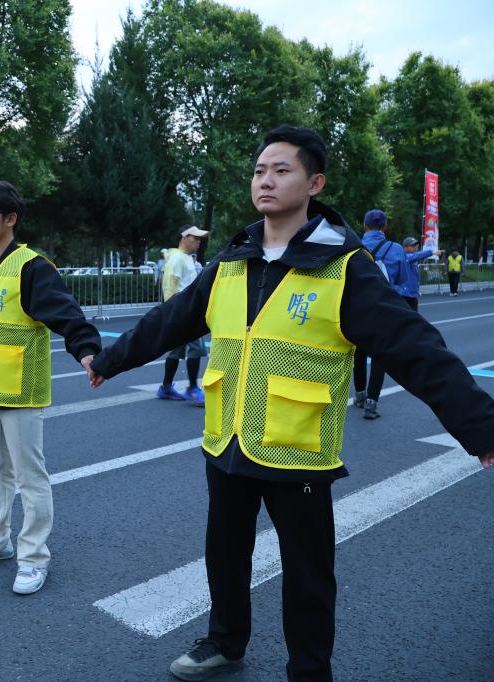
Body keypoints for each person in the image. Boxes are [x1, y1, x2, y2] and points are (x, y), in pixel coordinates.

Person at [85, 125, 494, 682]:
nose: (266, 180)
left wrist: (480, 427)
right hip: (228, 441)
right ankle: (225, 642)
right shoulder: (233, 259)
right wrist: (109, 360)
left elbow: (417, 349)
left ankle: (309, 669)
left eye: (282, 170)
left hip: (297, 450)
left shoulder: (345, 267)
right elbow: (171, 320)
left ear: (314, 183)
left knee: (307, 573)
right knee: (224, 554)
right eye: (259, 171)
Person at [0, 181, 101, 595]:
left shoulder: (32, 267)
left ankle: (34, 557)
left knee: (29, 476)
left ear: (10, 219)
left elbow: (68, 315)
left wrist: (88, 352)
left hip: (21, 390)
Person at [355, 209, 408, 419]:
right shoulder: (396, 249)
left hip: (357, 308)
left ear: (364, 225)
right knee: (380, 356)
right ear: (384, 226)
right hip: (385, 308)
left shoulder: (353, 246)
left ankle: (359, 395)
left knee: (359, 353)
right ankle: (371, 403)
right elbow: (402, 279)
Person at [157, 226, 210, 406]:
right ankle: (193, 388)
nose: (198, 242)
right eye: (195, 238)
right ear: (184, 237)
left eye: (200, 239)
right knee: (195, 348)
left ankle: (166, 387)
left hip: (181, 310)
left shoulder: (185, 257)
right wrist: (173, 311)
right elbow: (170, 286)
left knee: (176, 349)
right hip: (184, 311)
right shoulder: (179, 258)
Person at [397, 237, 442, 311]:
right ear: (405, 247)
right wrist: (431, 252)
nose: (415, 247)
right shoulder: (405, 257)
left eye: (416, 245)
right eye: (413, 245)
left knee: (413, 315)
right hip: (404, 293)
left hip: (411, 293)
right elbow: (417, 256)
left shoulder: (412, 256)